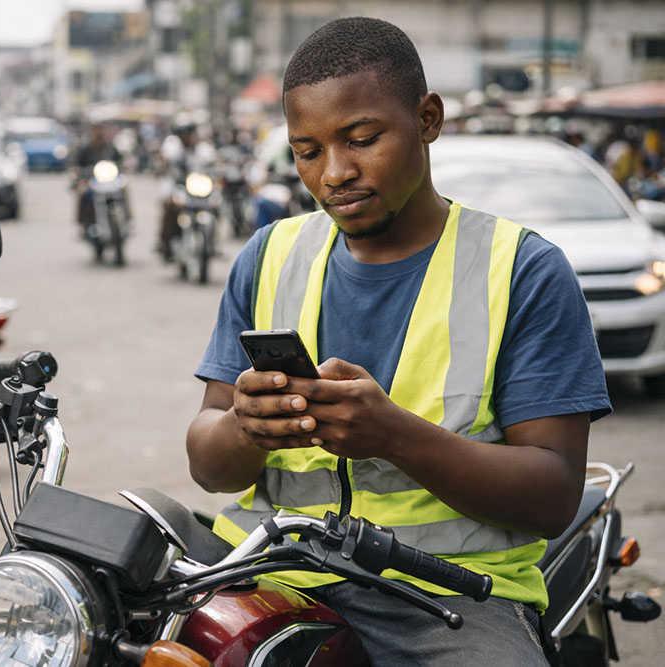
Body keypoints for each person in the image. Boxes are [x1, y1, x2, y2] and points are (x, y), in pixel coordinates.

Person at [186, 17, 611, 666]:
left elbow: (553, 496)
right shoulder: (268, 255)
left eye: (360, 139)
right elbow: (207, 463)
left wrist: (396, 436)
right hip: (273, 569)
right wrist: (245, 428)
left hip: (449, 594)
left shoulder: (522, 269)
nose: (334, 173)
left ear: (428, 119)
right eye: (307, 151)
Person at [156, 115, 216, 260]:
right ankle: (165, 241)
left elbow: (214, 163)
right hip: (177, 185)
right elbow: (161, 161)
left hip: (198, 187)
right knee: (170, 204)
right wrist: (162, 165)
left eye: (190, 133)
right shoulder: (171, 147)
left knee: (215, 205)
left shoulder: (204, 149)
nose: (187, 137)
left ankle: (213, 242)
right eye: (184, 133)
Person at [70, 123, 127, 235]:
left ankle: (128, 218)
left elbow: (121, 163)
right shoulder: (85, 150)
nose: (99, 134)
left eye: (101, 131)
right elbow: (76, 166)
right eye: (96, 131)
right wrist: (80, 172)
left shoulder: (111, 149)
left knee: (125, 188)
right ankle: (82, 223)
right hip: (91, 181)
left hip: (110, 181)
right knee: (82, 192)